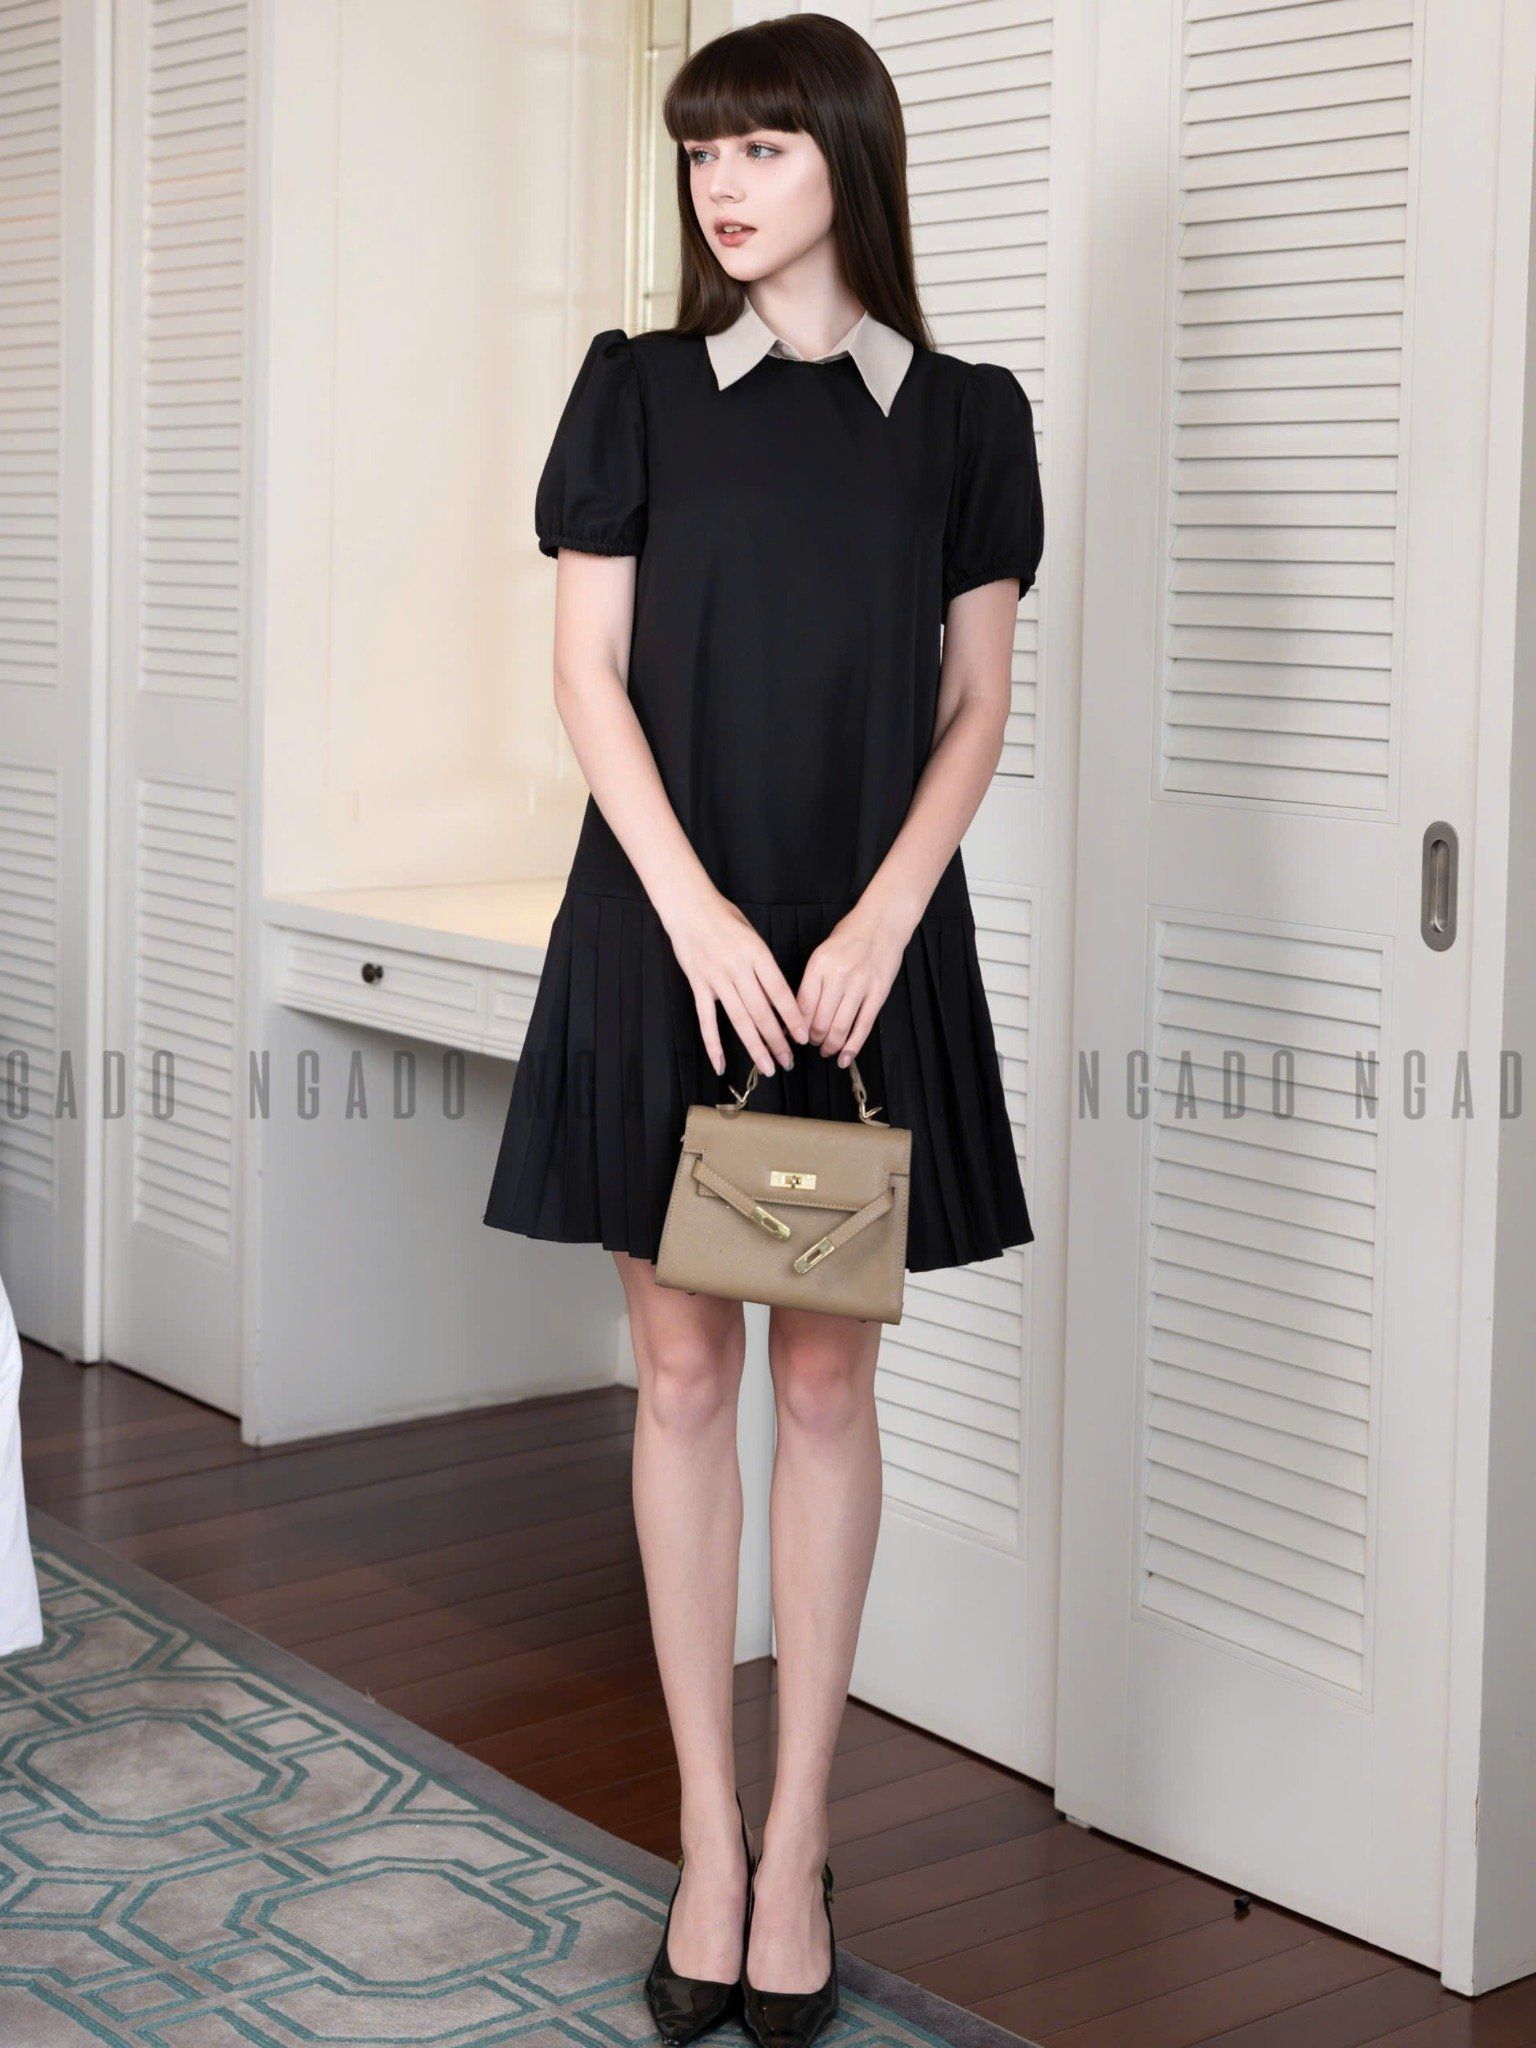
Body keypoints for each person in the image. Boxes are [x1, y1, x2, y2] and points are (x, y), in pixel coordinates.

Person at [484, 15, 1042, 2045]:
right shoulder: (635, 391)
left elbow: (976, 699)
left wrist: (887, 908)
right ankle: (704, 1841)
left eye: (764, 149)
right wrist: (698, 914)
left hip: (857, 962)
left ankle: (800, 1838)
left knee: (821, 1388)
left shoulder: (965, 417)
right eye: (703, 150)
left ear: (849, 164)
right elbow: (588, 675)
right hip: (668, 940)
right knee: (678, 1373)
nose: (722, 184)